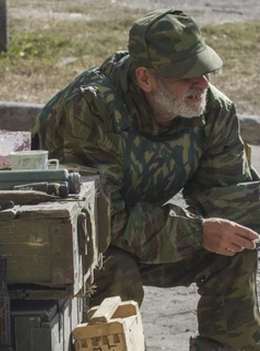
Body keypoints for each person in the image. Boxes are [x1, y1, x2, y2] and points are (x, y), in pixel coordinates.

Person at [31, 8, 260, 351]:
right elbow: (100, 221)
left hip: (141, 230)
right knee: (118, 272)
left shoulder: (211, 109)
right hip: (76, 242)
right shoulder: (91, 109)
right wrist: (197, 231)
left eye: (205, 70)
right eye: (187, 75)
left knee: (235, 247)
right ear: (145, 79)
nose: (203, 84)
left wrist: (244, 227)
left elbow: (228, 196)